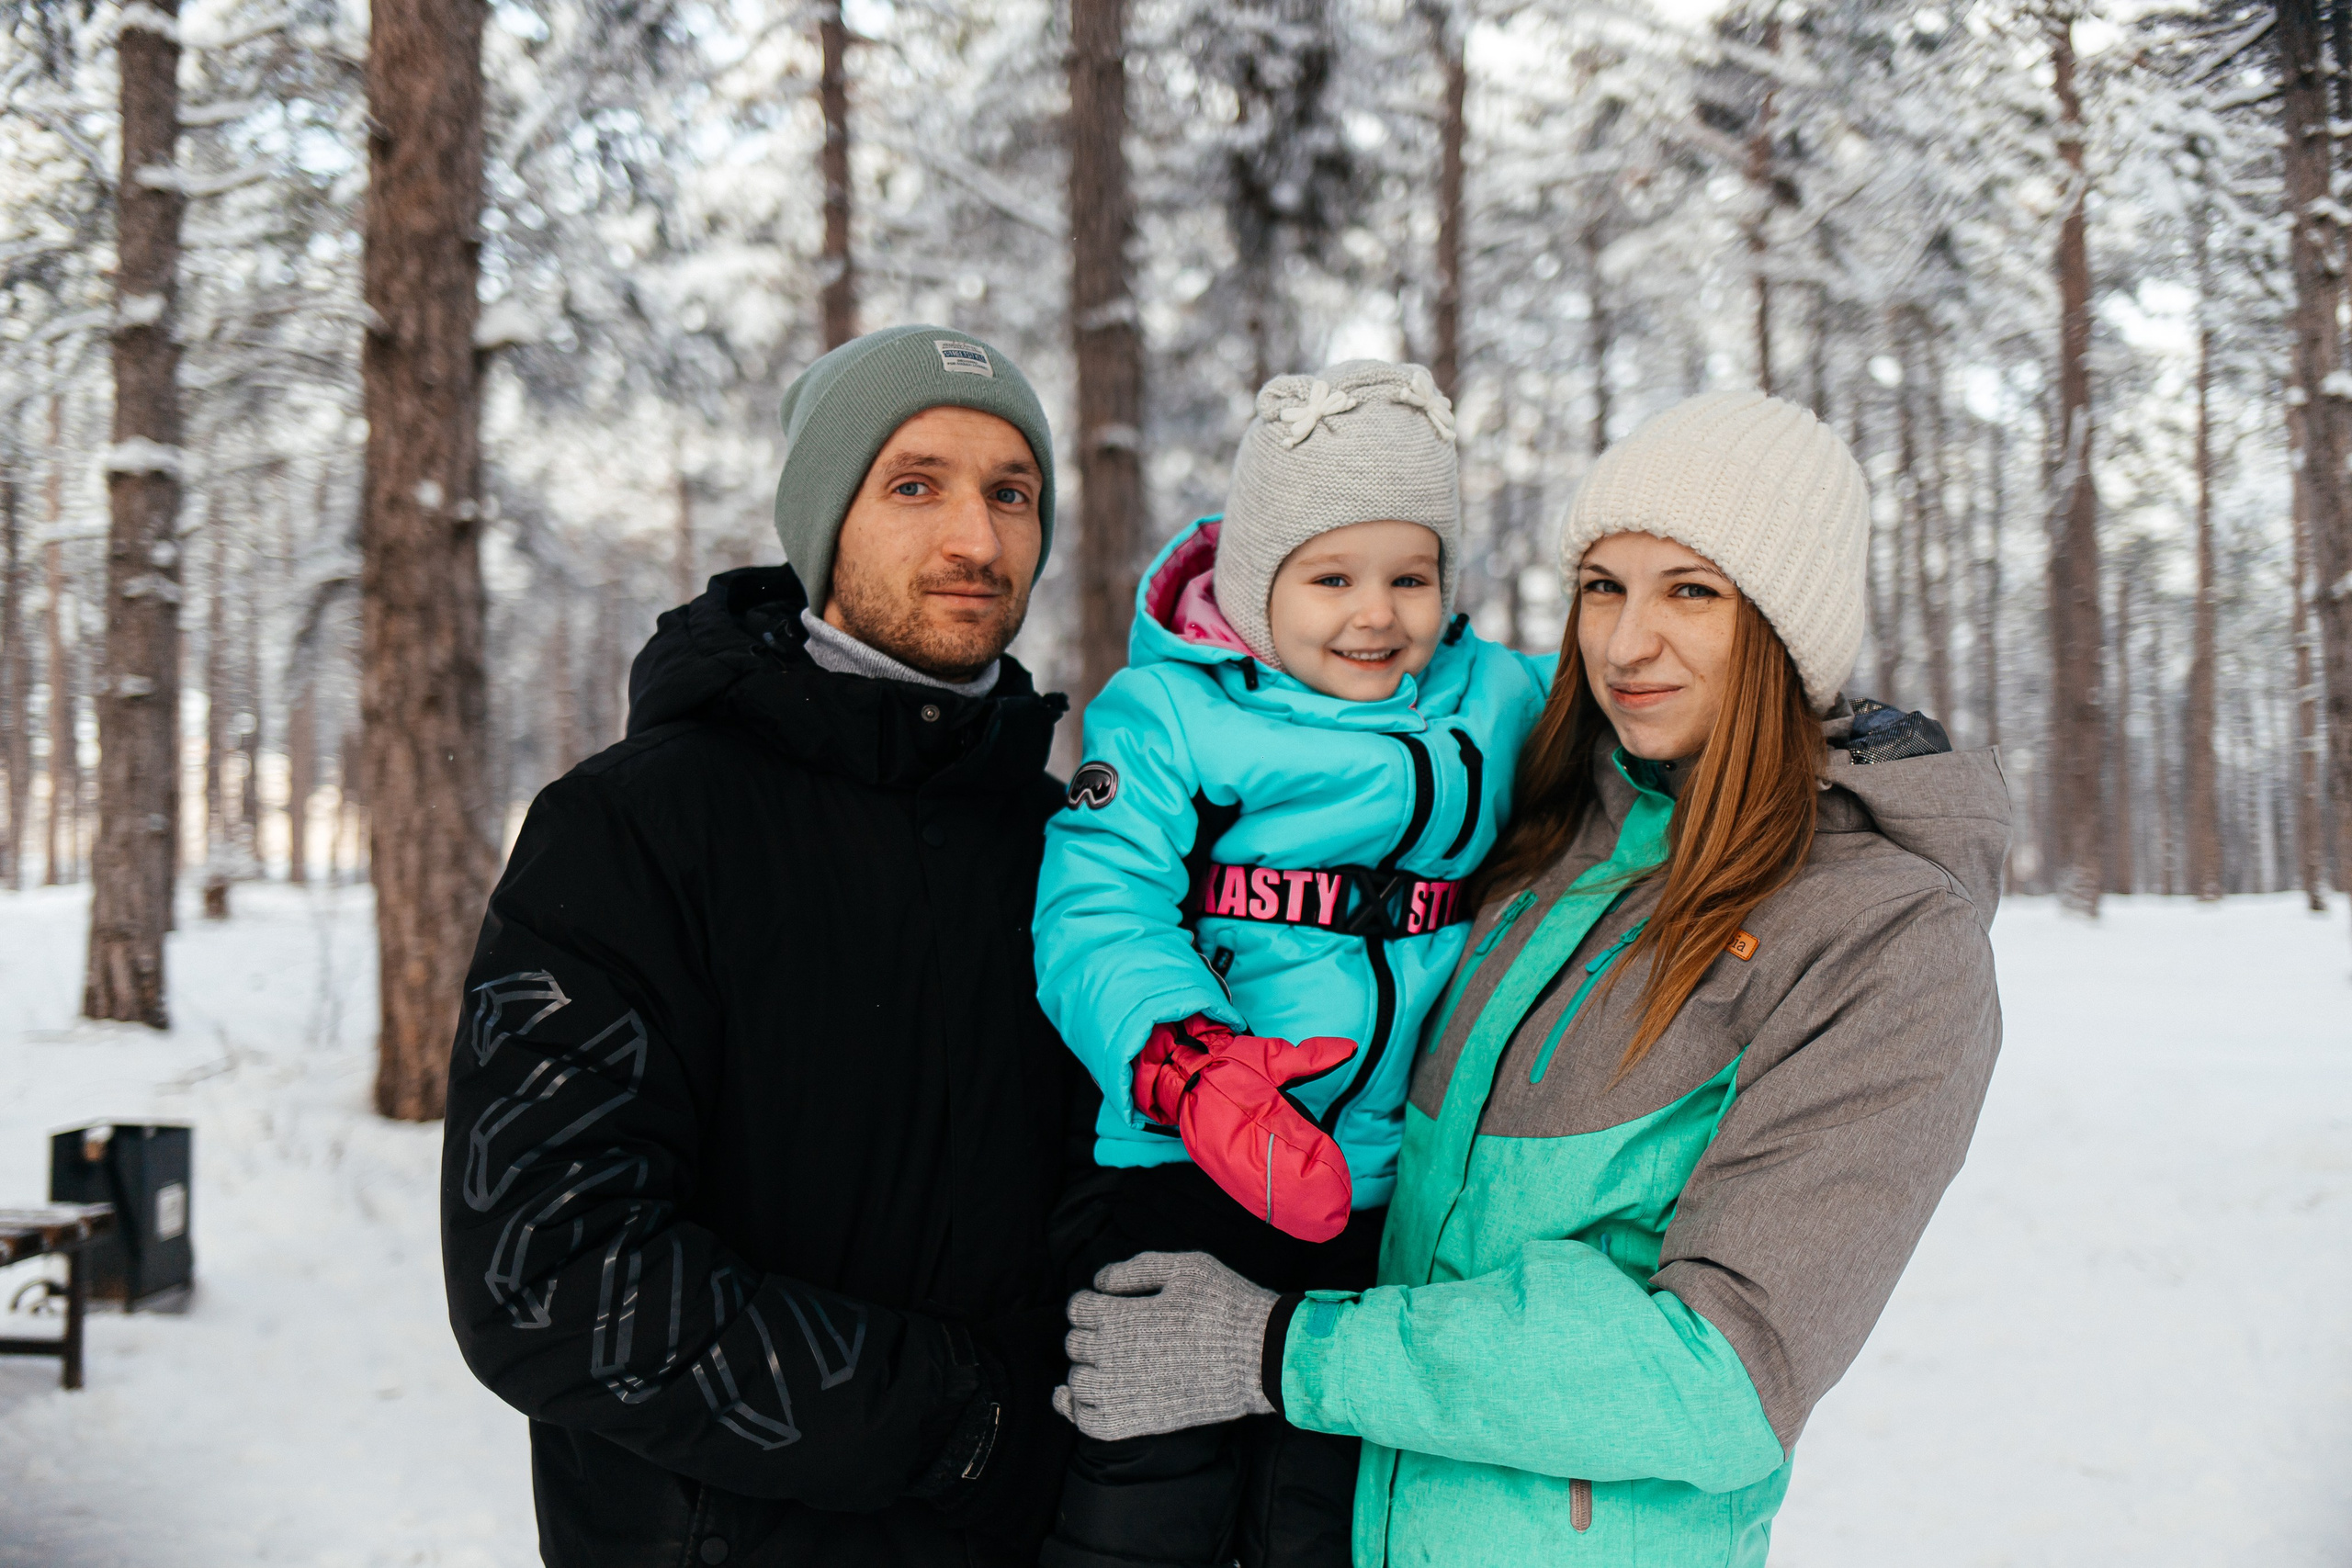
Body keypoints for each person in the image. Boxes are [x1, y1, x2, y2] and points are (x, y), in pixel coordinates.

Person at [1057, 389, 2008, 1566]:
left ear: (1782, 623)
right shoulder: (1552, 832)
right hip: (1350, 1515)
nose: (1623, 643)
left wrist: (1277, 1350)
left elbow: (1721, 1379)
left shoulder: (1882, 939)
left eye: (1690, 591)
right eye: (1602, 587)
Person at [440, 324, 1096, 1568]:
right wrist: (966, 1417)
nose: (976, 537)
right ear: (822, 519)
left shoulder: (1068, 849)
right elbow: (549, 1277)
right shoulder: (633, 828)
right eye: (916, 484)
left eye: (1012, 493)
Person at [1032, 360, 1550, 1567]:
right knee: (1147, 1481)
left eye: (1410, 576)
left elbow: (1653, 739)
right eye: (1331, 576)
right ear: (1261, 582)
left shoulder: (1501, 702)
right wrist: (1190, 1066)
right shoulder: (1171, 713)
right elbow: (1097, 905)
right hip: (1184, 1159)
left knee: (1321, 1501)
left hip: (1382, 1195)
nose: (1376, 614)